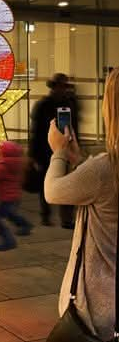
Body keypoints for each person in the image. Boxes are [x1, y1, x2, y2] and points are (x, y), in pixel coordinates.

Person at [45, 66, 119, 341]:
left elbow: (53, 191)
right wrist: (79, 160)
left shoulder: (105, 169)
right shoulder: (101, 171)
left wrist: (60, 154)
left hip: (97, 307)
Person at [29, 72, 77, 227]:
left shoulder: (69, 104)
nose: (63, 89)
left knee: (69, 184)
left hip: (66, 149)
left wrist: (76, 146)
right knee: (46, 183)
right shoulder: (43, 105)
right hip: (45, 150)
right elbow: (35, 131)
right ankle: (46, 215)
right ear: (54, 87)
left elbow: (74, 127)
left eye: (65, 86)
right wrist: (33, 154)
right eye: (61, 85)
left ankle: (66, 218)